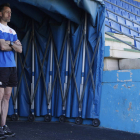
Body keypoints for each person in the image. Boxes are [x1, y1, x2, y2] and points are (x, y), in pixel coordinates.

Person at [0, 3, 22, 138]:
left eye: (11, 12)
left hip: (11, 66)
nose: (9, 14)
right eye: (7, 12)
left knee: (7, 97)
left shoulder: (12, 31)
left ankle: (3, 126)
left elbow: (20, 49)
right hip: (1, 66)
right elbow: (2, 47)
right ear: (0, 13)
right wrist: (13, 44)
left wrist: (9, 44)